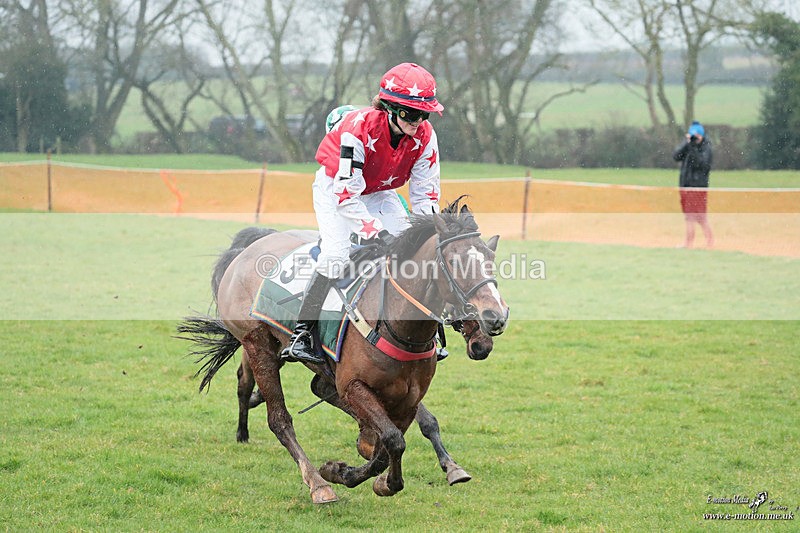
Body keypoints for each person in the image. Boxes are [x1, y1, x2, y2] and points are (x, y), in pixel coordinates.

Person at [281, 62, 444, 363]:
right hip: (337, 190)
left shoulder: (425, 136)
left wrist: (428, 233)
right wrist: (373, 231)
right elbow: (345, 196)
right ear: (388, 108)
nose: (417, 121)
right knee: (337, 256)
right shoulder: (359, 128)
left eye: (424, 114)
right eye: (410, 113)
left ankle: (431, 332)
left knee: (416, 252)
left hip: (380, 190)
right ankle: (303, 334)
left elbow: (426, 194)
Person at [673, 120, 714, 249]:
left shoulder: (706, 148)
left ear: (701, 136)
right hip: (685, 186)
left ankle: (691, 243)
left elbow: (701, 164)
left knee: (696, 217)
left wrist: (693, 147)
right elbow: (676, 156)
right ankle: (707, 241)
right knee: (691, 216)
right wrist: (687, 144)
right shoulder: (688, 146)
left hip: (697, 188)